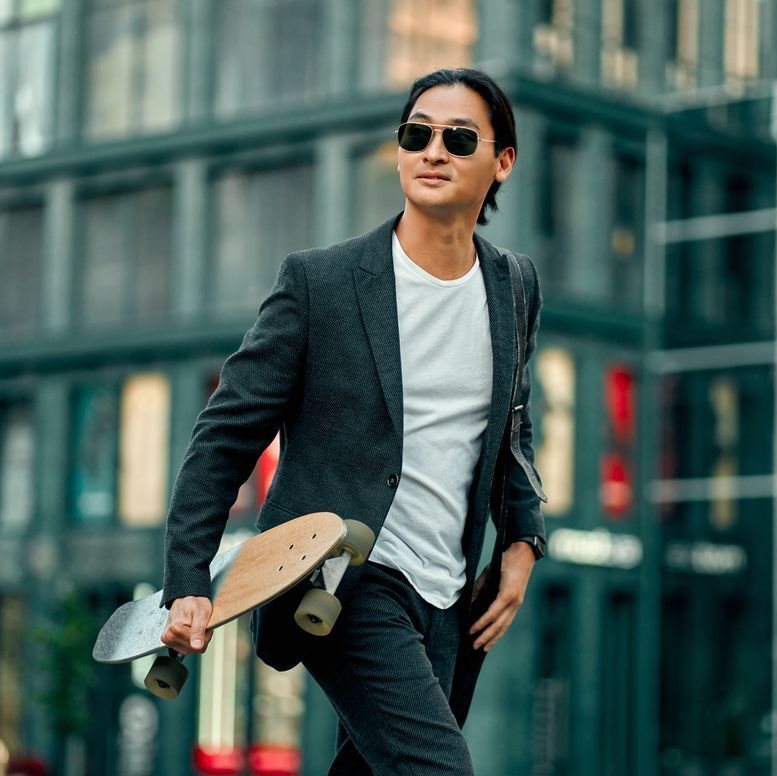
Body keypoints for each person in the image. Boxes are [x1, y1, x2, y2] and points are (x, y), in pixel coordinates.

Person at [157, 67, 546, 775]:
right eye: (416, 134)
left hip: (449, 594)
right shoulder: (321, 284)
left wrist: (522, 541)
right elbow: (225, 436)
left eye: (459, 139)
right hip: (341, 578)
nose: (433, 151)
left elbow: (512, 428)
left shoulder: (513, 286)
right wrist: (187, 580)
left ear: (503, 163)